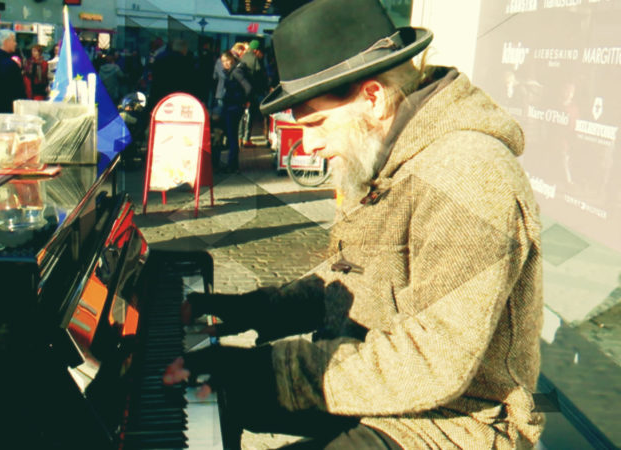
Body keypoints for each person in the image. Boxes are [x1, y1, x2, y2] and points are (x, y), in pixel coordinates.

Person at [163, 0, 545, 449]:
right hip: (383, 390)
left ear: (373, 97)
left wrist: (270, 368)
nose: (308, 144)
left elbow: (431, 362)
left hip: (455, 422)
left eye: (318, 122)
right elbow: (352, 273)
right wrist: (254, 309)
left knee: (233, 380)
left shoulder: (469, 175)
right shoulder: (391, 154)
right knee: (200, 389)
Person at [217, 50, 251, 173]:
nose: (225, 63)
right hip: (233, 106)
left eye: (227, 61)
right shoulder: (234, 71)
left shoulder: (236, 72)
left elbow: (247, 87)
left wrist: (243, 101)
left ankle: (233, 165)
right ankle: (232, 164)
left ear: (232, 59)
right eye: (223, 62)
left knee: (232, 136)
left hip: (234, 107)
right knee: (232, 135)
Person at [0, 30, 26, 114]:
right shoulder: (11, 64)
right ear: (5, 42)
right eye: (13, 40)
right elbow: (18, 90)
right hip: (10, 108)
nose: (15, 43)